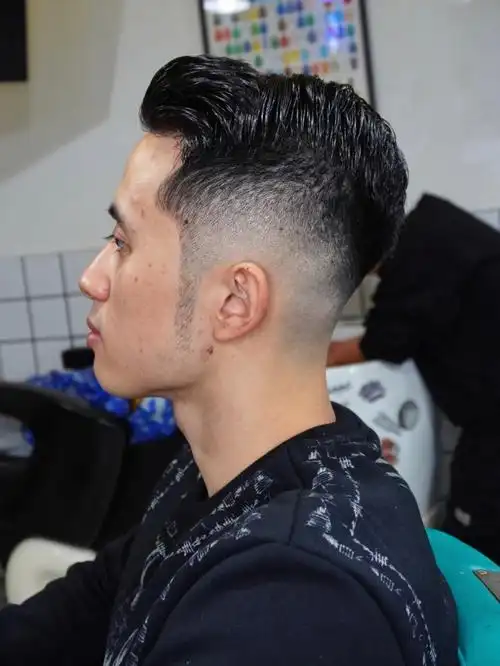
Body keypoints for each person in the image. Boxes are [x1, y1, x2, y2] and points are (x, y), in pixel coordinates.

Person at [0, 56, 458, 665]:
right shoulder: (216, 476)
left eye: (123, 242)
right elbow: (85, 609)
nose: (92, 278)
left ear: (235, 302)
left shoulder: (291, 604)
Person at [327, 193, 500, 564]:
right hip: (486, 420)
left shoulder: (423, 253)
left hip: (492, 429)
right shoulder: (436, 231)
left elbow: (381, 342)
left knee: (474, 539)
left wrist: (309, 356)